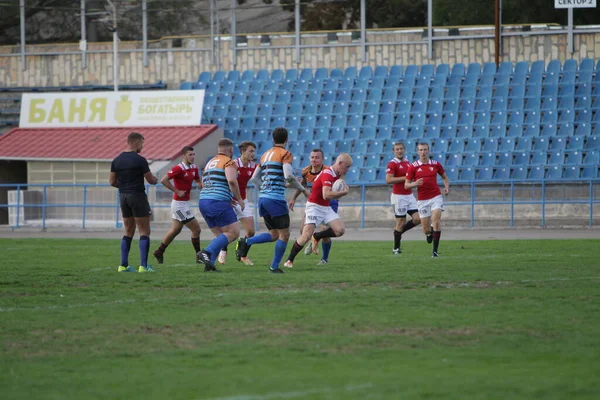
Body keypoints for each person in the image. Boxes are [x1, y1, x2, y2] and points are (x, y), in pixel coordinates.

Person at [235, 127, 306, 273]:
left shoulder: (265, 155)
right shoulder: (285, 154)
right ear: (287, 140)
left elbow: (254, 178)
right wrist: (303, 189)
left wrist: (264, 190)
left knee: (274, 235)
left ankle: (246, 241)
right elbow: (288, 176)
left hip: (263, 200)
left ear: (273, 140)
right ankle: (274, 267)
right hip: (276, 200)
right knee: (284, 235)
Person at [283, 153, 353, 268]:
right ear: (340, 163)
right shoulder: (328, 174)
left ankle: (317, 236)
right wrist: (343, 192)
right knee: (305, 235)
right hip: (314, 207)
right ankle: (289, 260)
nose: (347, 170)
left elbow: (329, 196)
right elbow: (326, 195)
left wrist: (339, 192)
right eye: (347, 167)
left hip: (325, 207)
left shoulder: (337, 174)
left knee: (340, 230)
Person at [109, 132, 158, 273]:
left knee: (128, 231)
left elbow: (112, 181)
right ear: (136, 142)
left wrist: (124, 186)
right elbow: (150, 179)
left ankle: (123, 265)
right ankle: (143, 266)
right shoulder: (140, 160)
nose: (143, 146)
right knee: (144, 231)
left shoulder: (116, 160)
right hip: (137, 196)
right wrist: (155, 180)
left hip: (123, 197)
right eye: (142, 143)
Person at [196, 138, 244, 271]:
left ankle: (210, 265)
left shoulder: (210, 162)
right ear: (230, 149)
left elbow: (205, 183)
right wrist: (239, 199)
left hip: (204, 201)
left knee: (219, 236)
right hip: (217, 201)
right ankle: (206, 252)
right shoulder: (229, 161)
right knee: (234, 233)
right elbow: (232, 181)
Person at [152, 146, 202, 265]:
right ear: (183, 156)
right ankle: (199, 256)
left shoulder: (194, 168)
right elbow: (164, 180)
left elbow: (197, 180)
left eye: (194, 154)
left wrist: (201, 184)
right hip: (179, 206)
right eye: (190, 154)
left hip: (184, 204)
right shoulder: (178, 168)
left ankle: (159, 252)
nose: (192, 157)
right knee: (196, 229)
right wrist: (177, 191)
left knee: (175, 230)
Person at [288, 148, 338, 265]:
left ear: (322, 159)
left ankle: (324, 258)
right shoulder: (306, 171)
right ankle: (313, 239)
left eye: (317, 157)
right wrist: (294, 198)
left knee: (324, 230)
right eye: (312, 157)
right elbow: (302, 185)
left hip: (328, 203)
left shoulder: (328, 171)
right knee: (303, 231)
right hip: (314, 204)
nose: (314, 159)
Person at [404, 142, 450, 258]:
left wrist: (446, 187)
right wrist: (415, 183)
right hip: (422, 200)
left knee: (436, 221)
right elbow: (406, 185)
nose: (423, 152)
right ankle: (429, 233)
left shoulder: (435, 164)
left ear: (428, 151)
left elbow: (444, 177)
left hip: (436, 197)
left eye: (425, 149)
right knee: (425, 228)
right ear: (417, 152)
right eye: (421, 150)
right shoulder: (413, 166)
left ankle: (435, 252)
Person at [217, 141, 257, 266]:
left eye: (254, 151)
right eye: (250, 151)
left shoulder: (253, 166)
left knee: (251, 231)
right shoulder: (233, 164)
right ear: (242, 152)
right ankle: (223, 250)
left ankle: (242, 253)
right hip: (229, 200)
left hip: (242, 201)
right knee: (229, 230)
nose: (253, 154)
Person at [385, 142, 421, 254]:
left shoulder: (407, 162)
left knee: (418, 218)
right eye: (397, 149)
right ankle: (396, 248)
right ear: (394, 151)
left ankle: (398, 232)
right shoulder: (392, 164)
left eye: (401, 149)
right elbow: (388, 180)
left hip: (409, 195)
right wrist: (405, 178)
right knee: (401, 221)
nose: (399, 151)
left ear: (404, 150)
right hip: (398, 196)